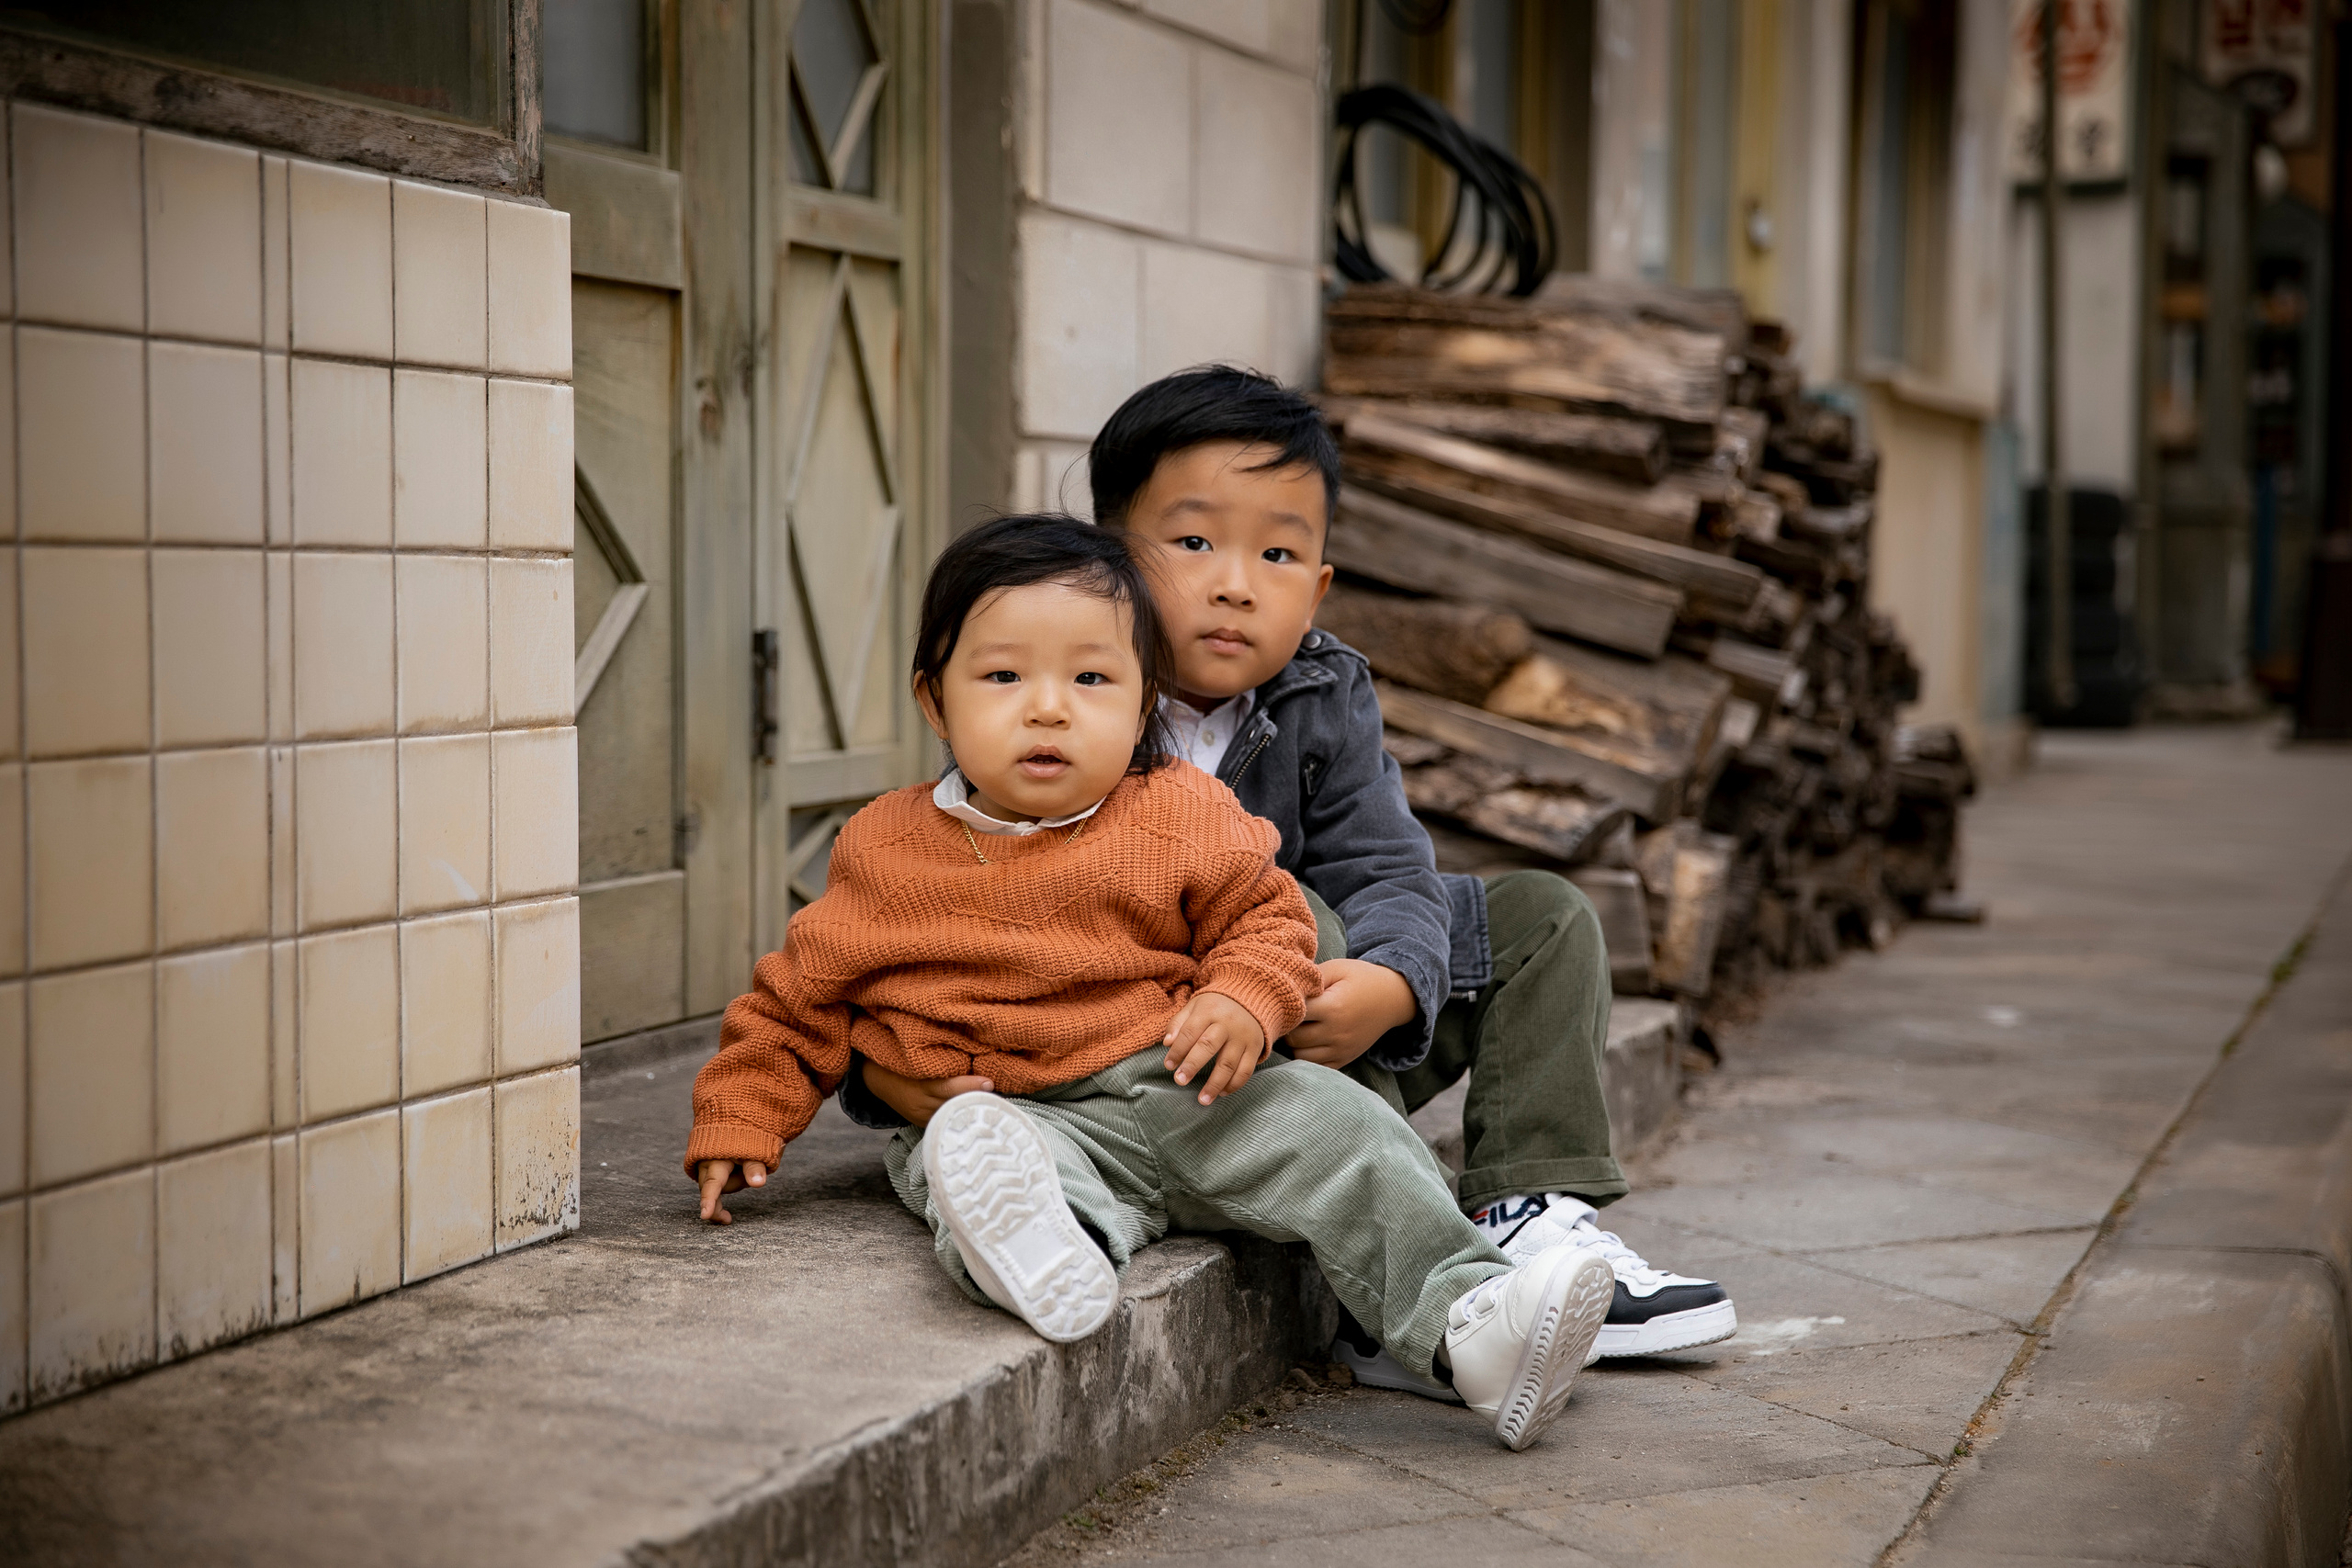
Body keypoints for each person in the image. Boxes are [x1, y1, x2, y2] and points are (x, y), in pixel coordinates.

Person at [684, 514, 1615, 1450]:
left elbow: (1267, 915)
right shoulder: (884, 847)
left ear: (1140, 709)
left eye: (1090, 680)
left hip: (1186, 1082)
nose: (1047, 708)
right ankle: (1050, 1249)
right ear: (935, 701)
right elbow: (796, 999)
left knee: (1348, 1133)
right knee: (965, 1166)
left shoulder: (1177, 809)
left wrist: (1243, 996)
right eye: (1003, 677)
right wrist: (740, 1117)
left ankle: (1470, 1324)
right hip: (1014, 1108)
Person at [1085, 367, 1737, 1398]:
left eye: (1278, 552)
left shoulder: (1320, 686)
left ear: (1320, 586)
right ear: (1107, 559)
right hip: (1172, 1055)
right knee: (1304, 912)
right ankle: (1394, 1298)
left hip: (1331, 1025)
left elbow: (1386, 860)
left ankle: (1525, 1219)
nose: (1235, 582)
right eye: (1194, 541)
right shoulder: (1070, 691)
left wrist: (1392, 982)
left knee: (1542, 918)